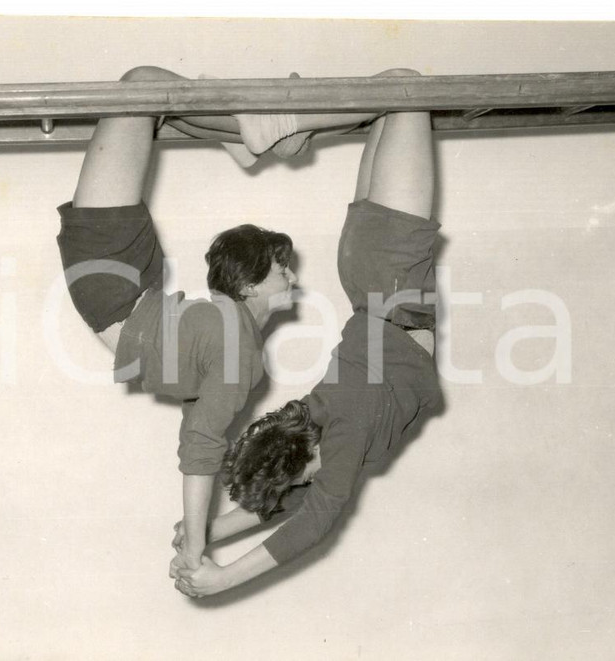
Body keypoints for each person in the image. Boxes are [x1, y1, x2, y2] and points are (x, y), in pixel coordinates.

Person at [56, 65, 380, 572]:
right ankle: (252, 135)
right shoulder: (238, 344)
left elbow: (200, 442)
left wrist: (195, 544)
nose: (293, 279)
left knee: (142, 83)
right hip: (133, 282)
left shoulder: (237, 343)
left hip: (110, 275)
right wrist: (199, 533)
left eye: (283, 269)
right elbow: (198, 420)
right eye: (284, 270)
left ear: (249, 285)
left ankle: (257, 132)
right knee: (154, 95)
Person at [172, 76, 444, 597]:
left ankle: (272, 128)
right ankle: (274, 133)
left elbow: (315, 519)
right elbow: (294, 498)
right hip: (369, 273)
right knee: (389, 97)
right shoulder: (323, 421)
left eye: (307, 475)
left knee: (407, 92)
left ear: (311, 455)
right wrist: (204, 532)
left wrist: (220, 578)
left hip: (391, 273)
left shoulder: (345, 427)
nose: (316, 485)